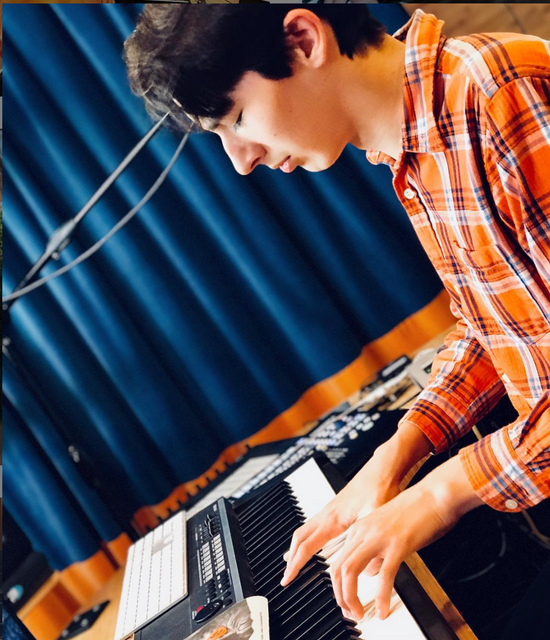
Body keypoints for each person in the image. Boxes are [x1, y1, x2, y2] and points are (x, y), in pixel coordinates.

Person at [124, 4, 550, 627]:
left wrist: (441, 492)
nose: (240, 160)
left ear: (303, 39)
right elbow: (495, 328)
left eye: (237, 118)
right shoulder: (418, 148)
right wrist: (399, 453)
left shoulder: (498, 92)